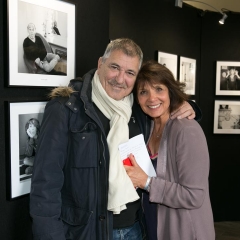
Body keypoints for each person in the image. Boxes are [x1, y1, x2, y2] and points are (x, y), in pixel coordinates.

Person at [29, 38, 201, 240]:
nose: (120, 79)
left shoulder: (139, 110)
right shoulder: (65, 109)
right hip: (85, 233)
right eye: (114, 67)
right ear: (100, 63)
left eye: (130, 73)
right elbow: (45, 184)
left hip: (136, 229)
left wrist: (191, 108)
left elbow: (164, 107)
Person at [124, 60, 215, 240]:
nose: (152, 98)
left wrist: (147, 182)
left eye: (159, 89)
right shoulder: (148, 126)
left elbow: (194, 195)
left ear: (170, 91)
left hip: (184, 231)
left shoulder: (187, 130)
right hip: (154, 225)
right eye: (143, 92)